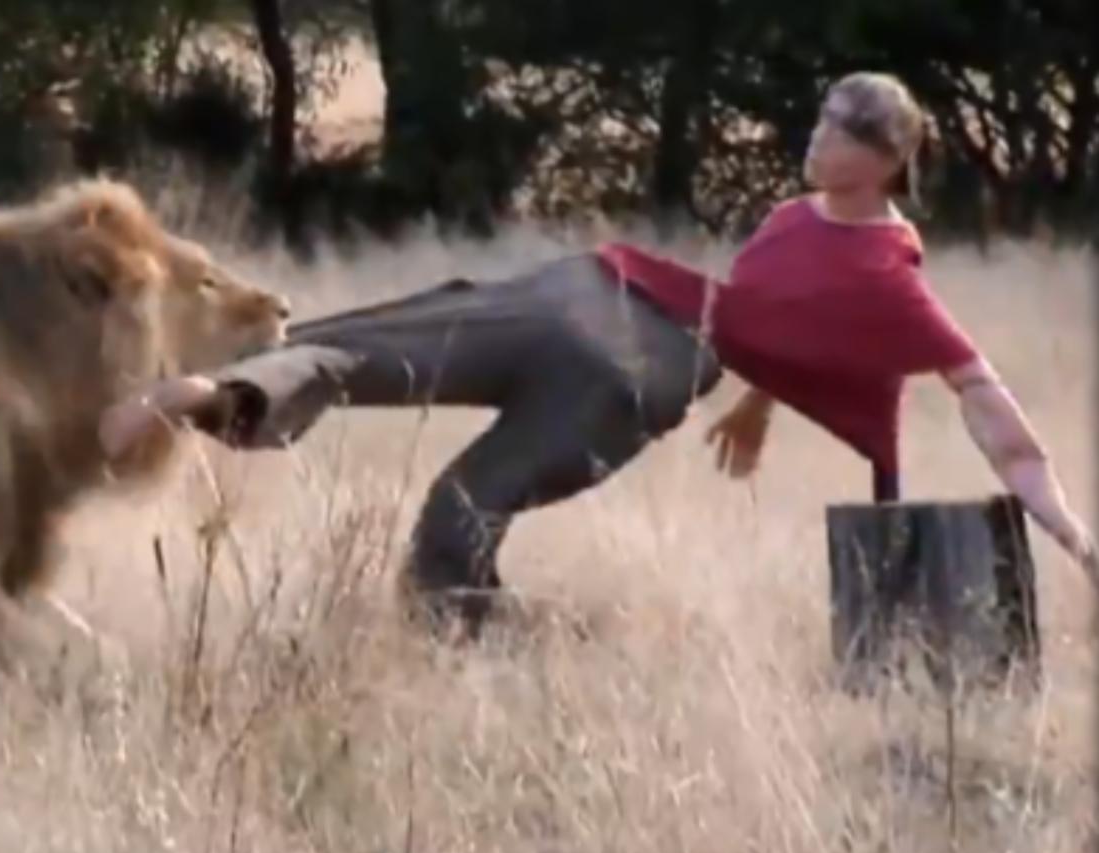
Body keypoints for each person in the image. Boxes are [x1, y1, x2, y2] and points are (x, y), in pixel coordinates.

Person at [99, 72, 1099, 639]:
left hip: (605, 305)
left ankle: (227, 396)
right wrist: (754, 400)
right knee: (445, 488)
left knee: (385, 358)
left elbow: (999, 425)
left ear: (882, 158)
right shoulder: (807, 219)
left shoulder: (896, 286)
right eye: (820, 120)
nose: (814, 137)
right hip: (617, 330)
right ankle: (220, 396)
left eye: (835, 132)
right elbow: (766, 316)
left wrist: (1075, 536)